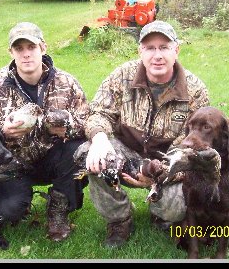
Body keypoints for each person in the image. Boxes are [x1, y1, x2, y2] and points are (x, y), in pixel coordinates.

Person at [84, 20, 210, 248]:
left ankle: (160, 212)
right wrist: (100, 138)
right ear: (140, 51)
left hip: (167, 162)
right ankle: (119, 219)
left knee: (174, 210)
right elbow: (98, 112)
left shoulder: (195, 91)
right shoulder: (122, 75)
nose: (157, 55)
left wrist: (160, 174)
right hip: (124, 154)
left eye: (164, 47)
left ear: (176, 50)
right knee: (93, 155)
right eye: (150, 48)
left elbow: (194, 149)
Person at [0, 22, 89, 242]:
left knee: (81, 151)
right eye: (19, 49)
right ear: (11, 52)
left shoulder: (66, 82)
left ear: (43, 48)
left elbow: (88, 122)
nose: (26, 54)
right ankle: (15, 200)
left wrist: (68, 127)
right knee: (11, 210)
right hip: (12, 162)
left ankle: (58, 212)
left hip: (53, 158)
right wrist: (2, 131)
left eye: (31, 47)